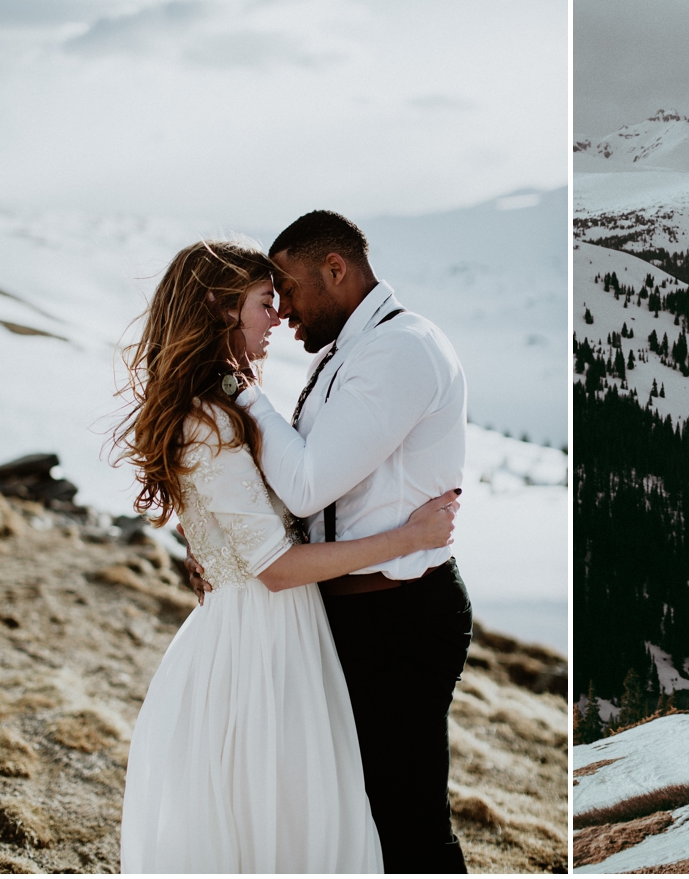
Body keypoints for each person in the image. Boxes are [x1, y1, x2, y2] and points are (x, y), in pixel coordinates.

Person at [113, 240, 460, 872]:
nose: (277, 317)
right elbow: (275, 569)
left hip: (283, 633)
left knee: (309, 818)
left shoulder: (228, 404)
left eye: (279, 300)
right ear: (221, 310)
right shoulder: (213, 421)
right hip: (260, 643)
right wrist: (408, 538)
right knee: (286, 825)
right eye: (263, 303)